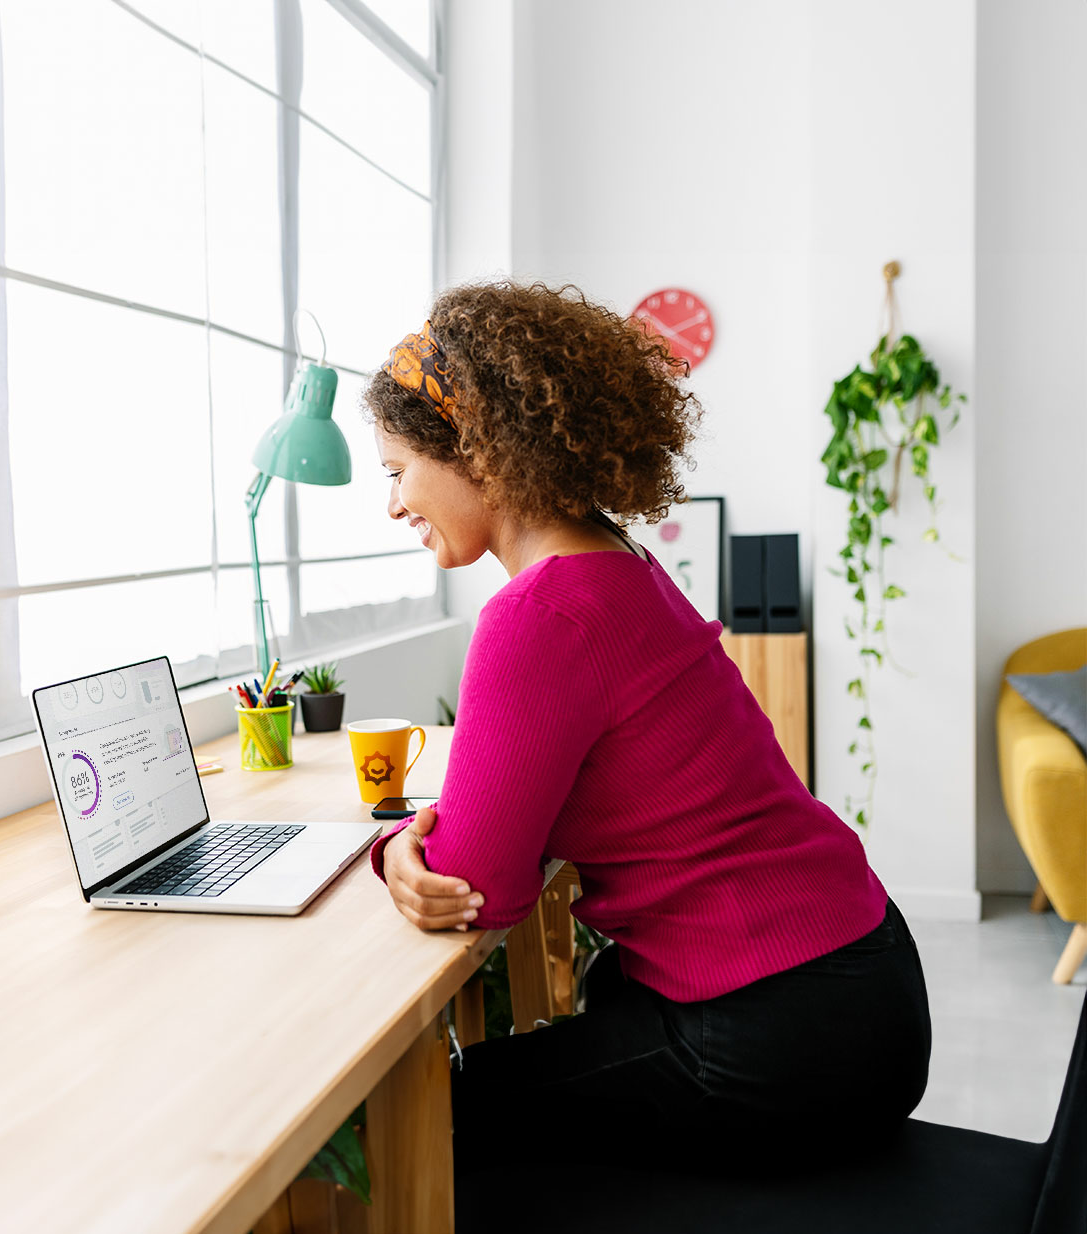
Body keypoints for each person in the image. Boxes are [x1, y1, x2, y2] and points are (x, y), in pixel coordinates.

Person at [360, 281, 932, 1190]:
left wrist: (398, 847)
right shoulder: (617, 558)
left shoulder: (539, 612)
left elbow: (479, 887)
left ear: (471, 446)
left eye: (396, 471)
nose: (392, 504)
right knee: (592, 1014)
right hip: (861, 977)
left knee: (442, 1109)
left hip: (782, 1027)